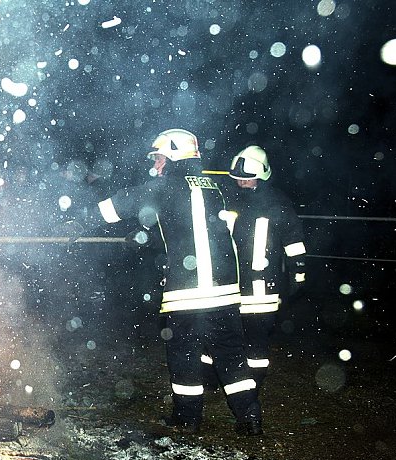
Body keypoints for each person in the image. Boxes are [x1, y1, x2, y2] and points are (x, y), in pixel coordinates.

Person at [71, 129, 263, 436]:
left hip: (186, 295)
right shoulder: (216, 188)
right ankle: (251, 417)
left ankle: (187, 419)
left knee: (184, 357)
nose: (156, 165)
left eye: (159, 158)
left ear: (173, 154)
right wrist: (145, 239)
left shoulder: (162, 187)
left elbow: (120, 205)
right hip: (226, 294)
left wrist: (80, 220)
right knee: (232, 357)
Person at [205, 145, 306, 390]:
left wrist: (298, 275)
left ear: (261, 175)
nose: (241, 183)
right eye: (238, 178)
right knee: (216, 334)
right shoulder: (228, 200)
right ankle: (210, 380)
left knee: (255, 343)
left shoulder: (278, 203)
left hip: (262, 288)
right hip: (229, 283)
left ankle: (253, 386)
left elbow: (294, 243)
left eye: (246, 179)